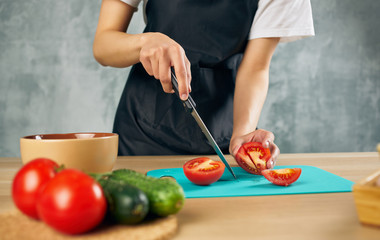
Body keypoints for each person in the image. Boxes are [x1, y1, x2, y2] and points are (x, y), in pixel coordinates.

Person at [93, 0, 314, 168]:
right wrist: (144, 42)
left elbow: (256, 67)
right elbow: (103, 46)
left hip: (223, 135)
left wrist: (243, 134)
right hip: (142, 133)